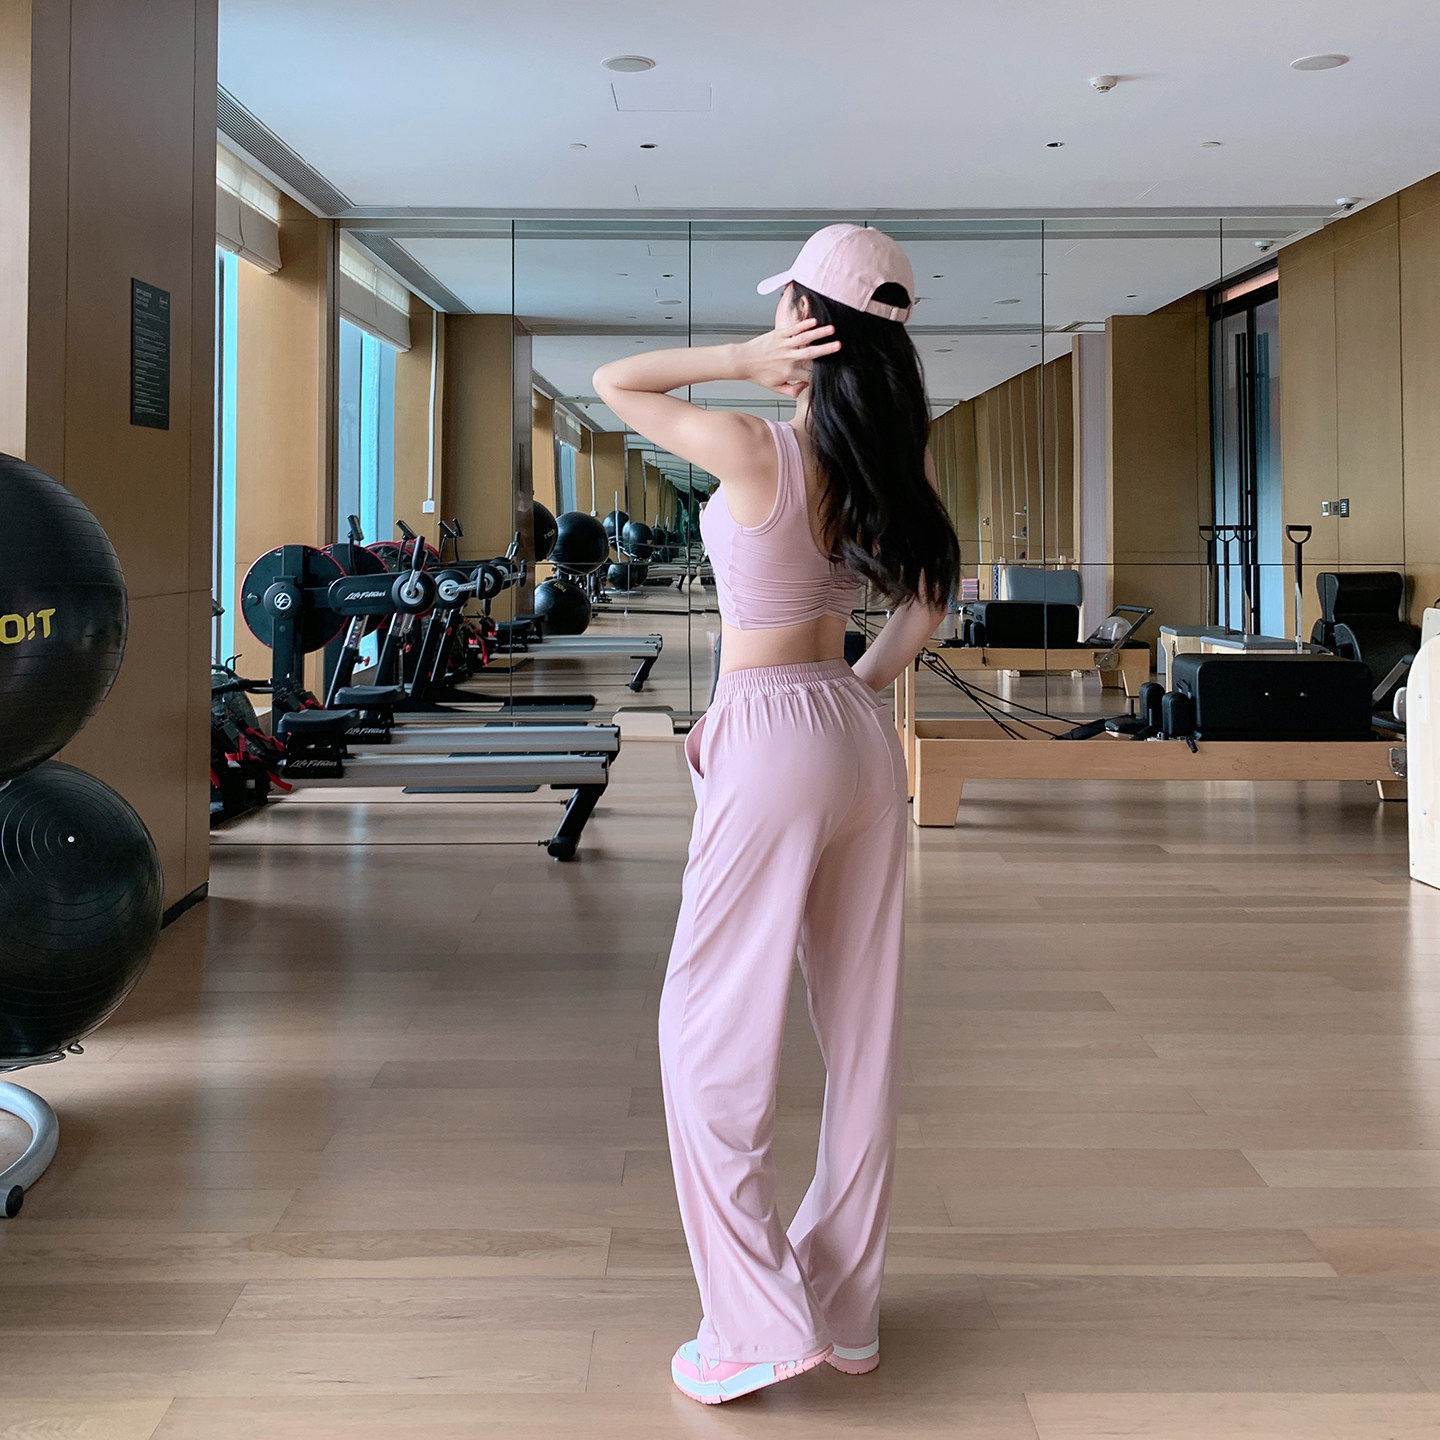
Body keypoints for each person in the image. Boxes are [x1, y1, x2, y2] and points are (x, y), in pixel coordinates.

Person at [593, 224, 959, 1406]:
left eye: (783, 310)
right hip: (855, 731)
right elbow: (928, 606)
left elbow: (615, 383)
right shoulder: (892, 461)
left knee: (708, 1028)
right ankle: (842, 1310)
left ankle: (752, 1323)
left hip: (767, 727)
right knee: (862, 1029)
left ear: (805, 321)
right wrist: (853, 694)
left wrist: (740, 360)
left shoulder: (755, 446)